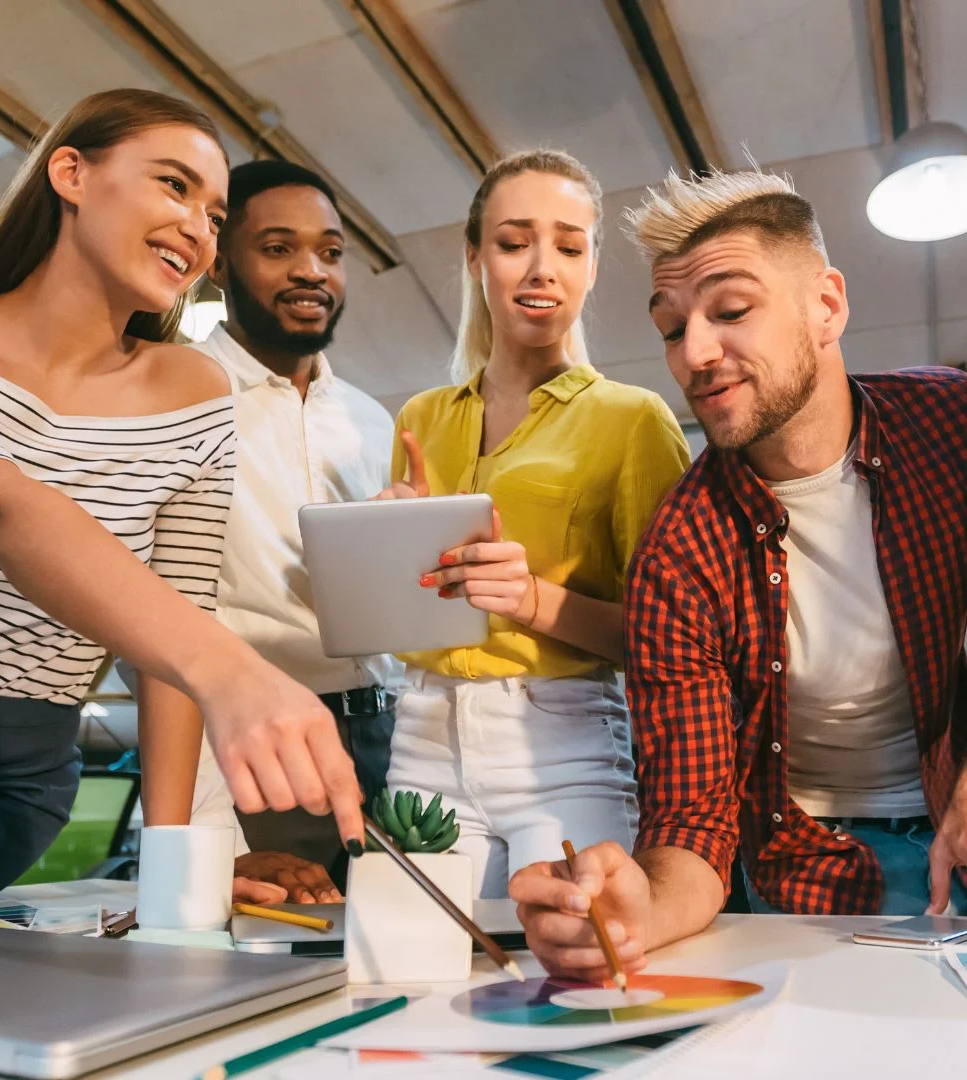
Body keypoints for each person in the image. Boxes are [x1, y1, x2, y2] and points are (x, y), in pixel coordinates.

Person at [0, 89, 365, 905]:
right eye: (174, 186)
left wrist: (180, 866)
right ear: (70, 173)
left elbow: (171, 634)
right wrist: (236, 675)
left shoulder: (195, 395)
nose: (198, 230)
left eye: (215, 216)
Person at [512, 167, 967, 982]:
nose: (693, 354)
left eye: (730, 312)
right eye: (670, 326)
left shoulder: (948, 426)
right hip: (805, 871)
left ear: (825, 306)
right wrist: (635, 911)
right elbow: (693, 818)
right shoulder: (679, 550)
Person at [387, 150, 690, 898]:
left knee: (582, 977)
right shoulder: (421, 418)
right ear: (473, 257)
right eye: (514, 242)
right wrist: (389, 561)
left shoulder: (632, 420)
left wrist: (531, 600)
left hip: (565, 744)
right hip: (421, 735)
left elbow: (672, 644)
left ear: (591, 267)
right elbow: (402, 619)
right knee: (407, 975)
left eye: (568, 246)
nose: (541, 268)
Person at [184, 161, 403, 901]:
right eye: (278, 248)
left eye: (331, 252)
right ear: (218, 261)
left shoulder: (375, 420)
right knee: (259, 973)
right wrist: (207, 832)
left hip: (391, 750)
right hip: (255, 750)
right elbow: (149, 637)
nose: (311, 271)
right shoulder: (174, 394)